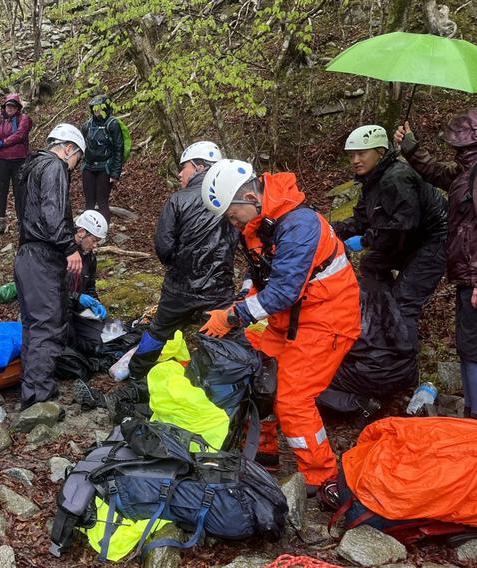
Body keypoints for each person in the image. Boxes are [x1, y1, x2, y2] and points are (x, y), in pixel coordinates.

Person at [198, 159, 360, 495]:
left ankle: (322, 477)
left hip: (327, 318)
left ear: (248, 197)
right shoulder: (262, 222)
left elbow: (284, 291)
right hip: (292, 317)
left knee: (293, 400)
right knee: (259, 378)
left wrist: (233, 316)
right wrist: (240, 301)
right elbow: (258, 274)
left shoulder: (299, 225)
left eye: (231, 214)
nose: (232, 223)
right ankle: (265, 449)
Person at [74, 142, 235, 413]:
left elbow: (163, 245)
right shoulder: (229, 200)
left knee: (158, 331)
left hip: (180, 288)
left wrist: (179, 265)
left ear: (198, 167)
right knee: (219, 335)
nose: (180, 175)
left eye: (183, 168)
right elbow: (235, 239)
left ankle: (137, 373)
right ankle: (220, 389)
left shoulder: (178, 200)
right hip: (218, 287)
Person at [395, 111, 477, 418]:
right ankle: (471, 413)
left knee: (472, 348)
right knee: (468, 346)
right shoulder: (467, 170)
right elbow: (440, 173)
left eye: (460, 146)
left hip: (474, 277)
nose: (456, 151)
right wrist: (411, 148)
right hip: (465, 275)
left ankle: (474, 419)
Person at [333, 125, 447, 325]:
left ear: (380, 152)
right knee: (372, 264)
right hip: (409, 239)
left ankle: (401, 352)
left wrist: (366, 240)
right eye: (351, 156)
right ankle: (381, 317)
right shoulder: (371, 180)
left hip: (434, 240)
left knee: (404, 300)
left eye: (361, 154)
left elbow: (403, 224)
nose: (355, 161)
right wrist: (330, 229)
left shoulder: (397, 177)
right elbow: (361, 219)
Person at [14, 123, 86, 410]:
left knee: (32, 325)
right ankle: (40, 395)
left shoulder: (29, 168)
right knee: (47, 324)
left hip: (25, 254)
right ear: (68, 148)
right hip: (43, 255)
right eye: (77, 159)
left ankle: (31, 390)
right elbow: (52, 211)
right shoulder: (54, 167)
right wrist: (69, 247)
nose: (74, 167)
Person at [0, 94, 32, 235]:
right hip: (2, 160)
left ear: (18, 108)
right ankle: (1, 220)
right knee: (2, 191)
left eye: (13, 106)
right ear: (4, 106)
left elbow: (20, 135)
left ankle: (20, 220)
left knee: (19, 192)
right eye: (8, 105)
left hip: (19, 159)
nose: (10, 108)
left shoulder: (24, 119)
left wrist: (2, 143)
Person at [67, 210, 109, 354]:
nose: (95, 246)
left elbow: (89, 287)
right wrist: (76, 296)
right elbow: (48, 288)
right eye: (94, 240)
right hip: (56, 309)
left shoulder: (90, 258)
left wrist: (96, 303)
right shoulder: (62, 252)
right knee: (66, 341)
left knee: (95, 345)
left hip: (76, 309)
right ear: (81, 232)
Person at [81, 94, 124, 221]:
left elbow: (118, 149)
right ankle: (87, 232)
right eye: (94, 108)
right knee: (89, 203)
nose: (96, 111)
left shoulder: (113, 124)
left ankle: (102, 233)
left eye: (99, 108)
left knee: (102, 202)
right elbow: (82, 146)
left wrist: (115, 173)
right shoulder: (87, 125)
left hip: (105, 168)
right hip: (88, 167)